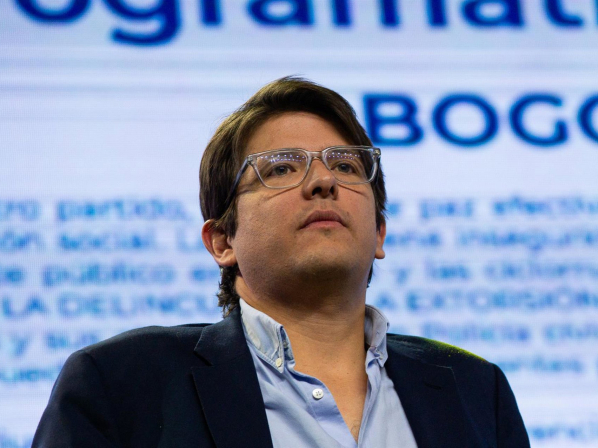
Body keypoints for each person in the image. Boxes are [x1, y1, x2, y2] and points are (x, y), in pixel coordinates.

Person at [33, 77, 530, 448]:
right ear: (222, 241)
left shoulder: (474, 390)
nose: (324, 182)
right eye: (282, 169)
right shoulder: (122, 383)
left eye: (345, 165)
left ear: (379, 233)